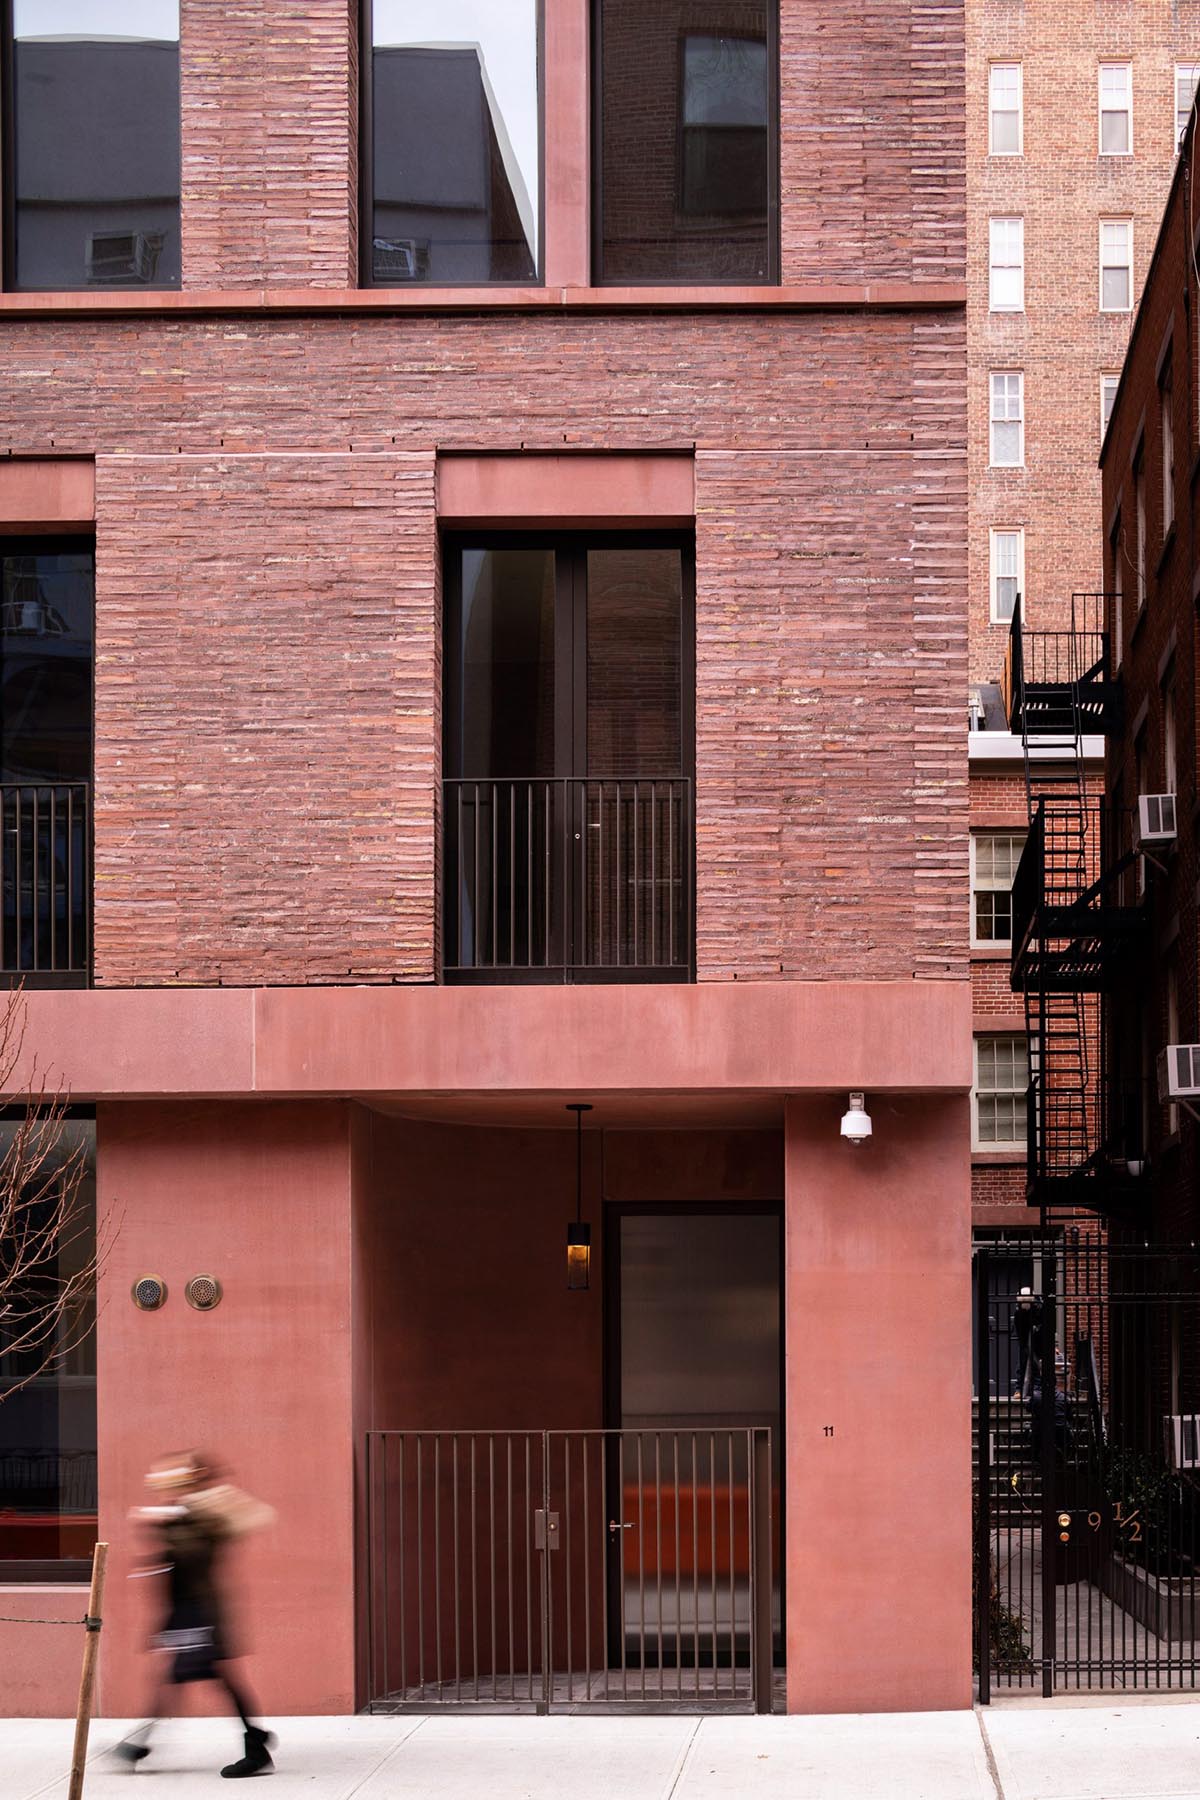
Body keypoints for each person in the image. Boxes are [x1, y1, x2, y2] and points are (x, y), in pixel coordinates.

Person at [113, 1451, 277, 1779]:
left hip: (199, 1610)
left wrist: (164, 1523)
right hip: (186, 1610)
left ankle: (255, 1747)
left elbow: (191, 1553)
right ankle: (255, 1740)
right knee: (186, 1677)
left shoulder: (205, 1514)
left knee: (187, 1677)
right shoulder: (185, 1512)